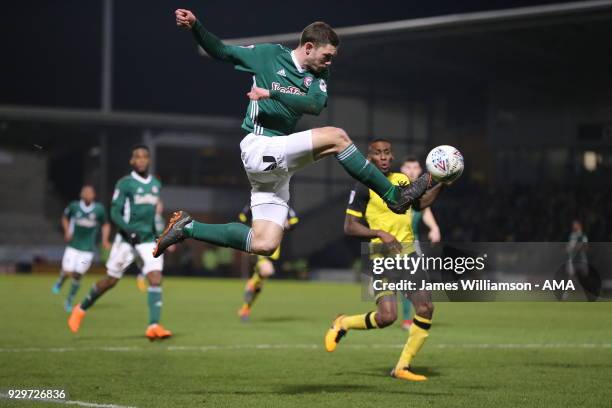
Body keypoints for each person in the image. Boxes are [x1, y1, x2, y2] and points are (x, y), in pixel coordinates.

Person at [153, 8, 432, 260]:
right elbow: (222, 51)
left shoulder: (318, 76)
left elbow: (314, 105)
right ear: (309, 47)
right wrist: (196, 26)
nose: (329, 63)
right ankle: (392, 195)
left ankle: (188, 227)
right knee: (337, 137)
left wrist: (271, 92)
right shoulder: (268, 56)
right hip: (259, 147)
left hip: (278, 165)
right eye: (327, 56)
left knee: (265, 243)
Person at [325, 139, 446, 382]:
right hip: (380, 256)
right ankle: (343, 322)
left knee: (426, 308)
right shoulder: (363, 185)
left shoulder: (402, 179)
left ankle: (402, 367)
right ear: (369, 158)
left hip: (408, 255)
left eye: (387, 153)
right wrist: (379, 233)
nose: (383, 157)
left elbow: (420, 203)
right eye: (377, 153)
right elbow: (350, 227)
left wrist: (443, 183)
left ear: (392, 157)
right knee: (387, 317)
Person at [68, 145, 172, 340]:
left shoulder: (156, 184)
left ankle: (154, 326)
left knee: (156, 278)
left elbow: (152, 215)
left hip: (147, 240)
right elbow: (115, 211)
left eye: (144, 157)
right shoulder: (125, 183)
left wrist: (160, 235)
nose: (141, 160)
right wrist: (128, 229)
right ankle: (80, 309)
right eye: (137, 157)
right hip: (126, 239)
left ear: (148, 160)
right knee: (111, 281)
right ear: (132, 161)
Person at [52, 185, 111, 312]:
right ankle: (61, 280)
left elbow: (105, 224)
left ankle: (69, 300)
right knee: (68, 271)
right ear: (81, 195)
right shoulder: (74, 206)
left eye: (90, 193)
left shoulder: (99, 209)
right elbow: (65, 218)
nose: (88, 195)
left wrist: (105, 240)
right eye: (85, 192)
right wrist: (67, 231)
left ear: (94, 195)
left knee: (78, 274)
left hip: (87, 251)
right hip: (73, 247)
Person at [399, 157, 441, 329]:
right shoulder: (394, 187)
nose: (411, 170)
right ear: (402, 169)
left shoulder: (419, 191)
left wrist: (434, 228)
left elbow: (424, 209)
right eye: (408, 167)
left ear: (420, 170)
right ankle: (409, 318)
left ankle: (410, 319)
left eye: (415, 167)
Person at [237, 203, 299, 321]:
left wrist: (288, 225)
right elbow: (242, 218)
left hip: (272, 249)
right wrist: (246, 237)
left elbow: (294, 222)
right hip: (257, 245)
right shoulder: (256, 201)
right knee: (267, 270)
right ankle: (252, 285)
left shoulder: (283, 205)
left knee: (259, 282)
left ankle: (245, 309)